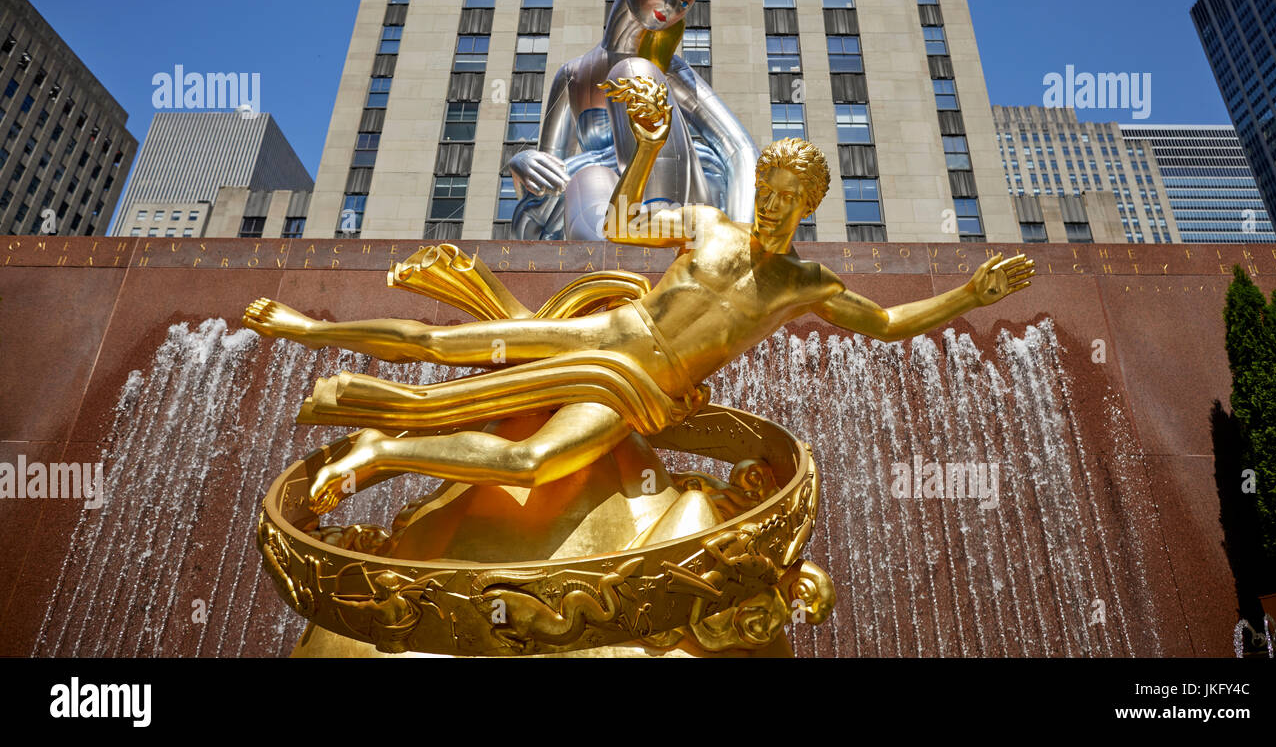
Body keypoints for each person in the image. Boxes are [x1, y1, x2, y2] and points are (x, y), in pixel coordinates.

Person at [243, 77, 1034, 512]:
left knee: (531, 461)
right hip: (608, 336)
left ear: (807, 207)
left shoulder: (805, 284)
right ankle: (309, 331)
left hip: (648, 386)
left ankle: (380, 454)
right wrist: (649, 142)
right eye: (767, 189)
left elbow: (890, 323)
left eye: (787, 198)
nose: (770, 205)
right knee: (440, 345)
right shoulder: (709, 225)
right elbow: (619, 217)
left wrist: (968, 294)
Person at [506, 0, 757, 239]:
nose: (670, 5)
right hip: (616, 202)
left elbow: (739, 149)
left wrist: (742, 235)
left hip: (686, 202)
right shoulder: (571, 76)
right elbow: (551, 175)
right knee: (587, 178)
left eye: (685, 2)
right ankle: (611, 270)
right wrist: (522, 162)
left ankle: (659, 223)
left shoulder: (670, 72)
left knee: (635, 70)